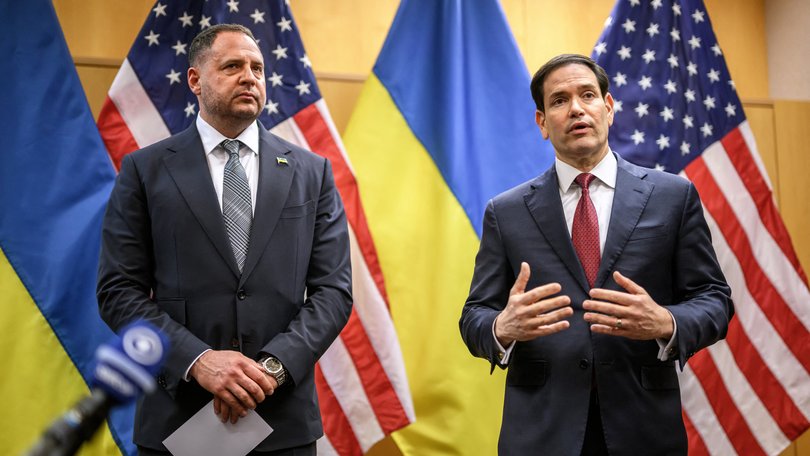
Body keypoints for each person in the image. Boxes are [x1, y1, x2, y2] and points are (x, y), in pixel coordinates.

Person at [459, 54, 733, 455]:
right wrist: (502, 327)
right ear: (542, 123)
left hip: (642, 428)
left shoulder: (672, 197)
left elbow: (715, 300)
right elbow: (474, 316)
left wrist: (665, 321)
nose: (575, 108)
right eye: (559, 100)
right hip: (541, 433)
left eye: (587, 95)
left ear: (608, 108)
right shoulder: (506, 211)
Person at [97, 24, 352, 455]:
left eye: (257, 68)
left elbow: (334, 292)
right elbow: (118, 291)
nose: (249, 76)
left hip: (281, 422)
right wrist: (198, 362)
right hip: (178, 421)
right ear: (195, 80)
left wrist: (270, 370)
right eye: (232, 66)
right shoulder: (145, 170)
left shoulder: (313, 173)